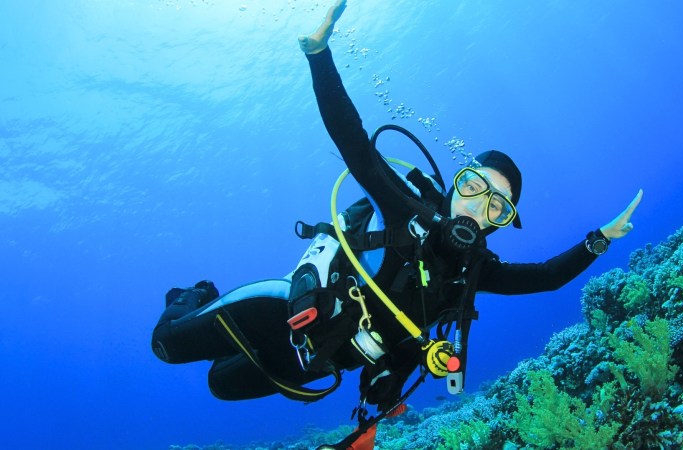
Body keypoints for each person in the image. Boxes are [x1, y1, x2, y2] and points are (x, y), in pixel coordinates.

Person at [151, 1, 643, 448]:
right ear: (455, 184)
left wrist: (599, 240)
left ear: (502, 222)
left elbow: (546, 278)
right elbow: (354, 142)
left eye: (497, 206)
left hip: (312, 361)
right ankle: (191, 297)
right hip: (286, 311)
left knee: (221, 385)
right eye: (474, 188)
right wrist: (320, 55)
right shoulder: (407, 208)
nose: (477, 208)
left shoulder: (473, 274)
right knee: (167, 347)